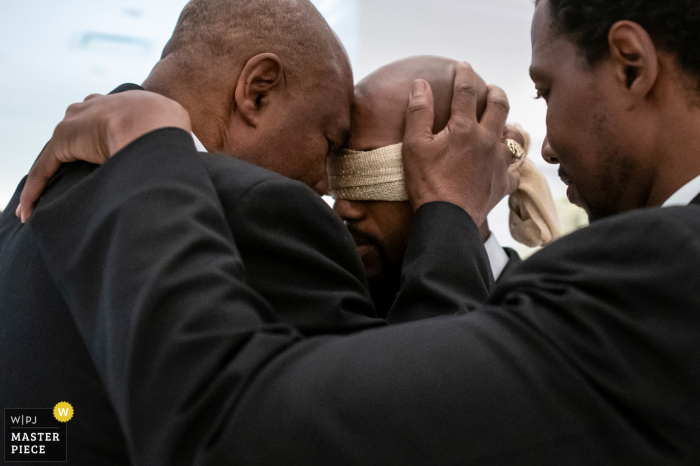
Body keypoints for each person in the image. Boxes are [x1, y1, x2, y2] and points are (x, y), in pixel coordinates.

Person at [11, 0, 700, 464]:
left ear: (633, 63)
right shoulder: (253, 213)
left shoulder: (37, 203)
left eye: (348, 153)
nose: (326, 193)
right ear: (254, 92)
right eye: (329, 149)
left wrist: (148, 145)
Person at [328, 56, 559, 317]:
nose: (343, 208)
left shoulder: (545, 322)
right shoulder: (334, 311)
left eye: (371, 172)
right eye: (338, 173)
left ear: (470, 170)